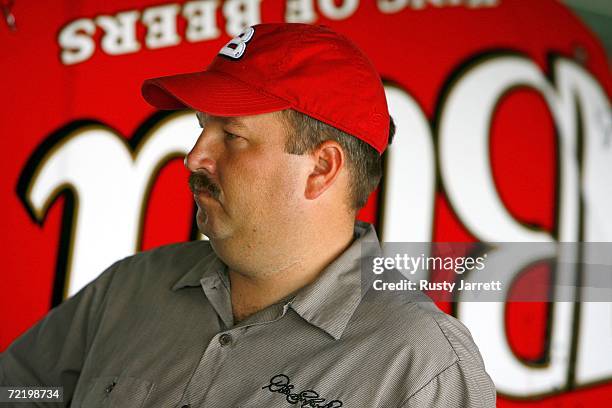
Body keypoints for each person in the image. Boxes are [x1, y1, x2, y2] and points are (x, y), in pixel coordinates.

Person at [0, 23, 496, 407]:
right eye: (201, 128)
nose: (195, 157)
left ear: (321, 169)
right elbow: (25, 391)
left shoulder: (421, 365)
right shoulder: (130, 288)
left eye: (231, 135)